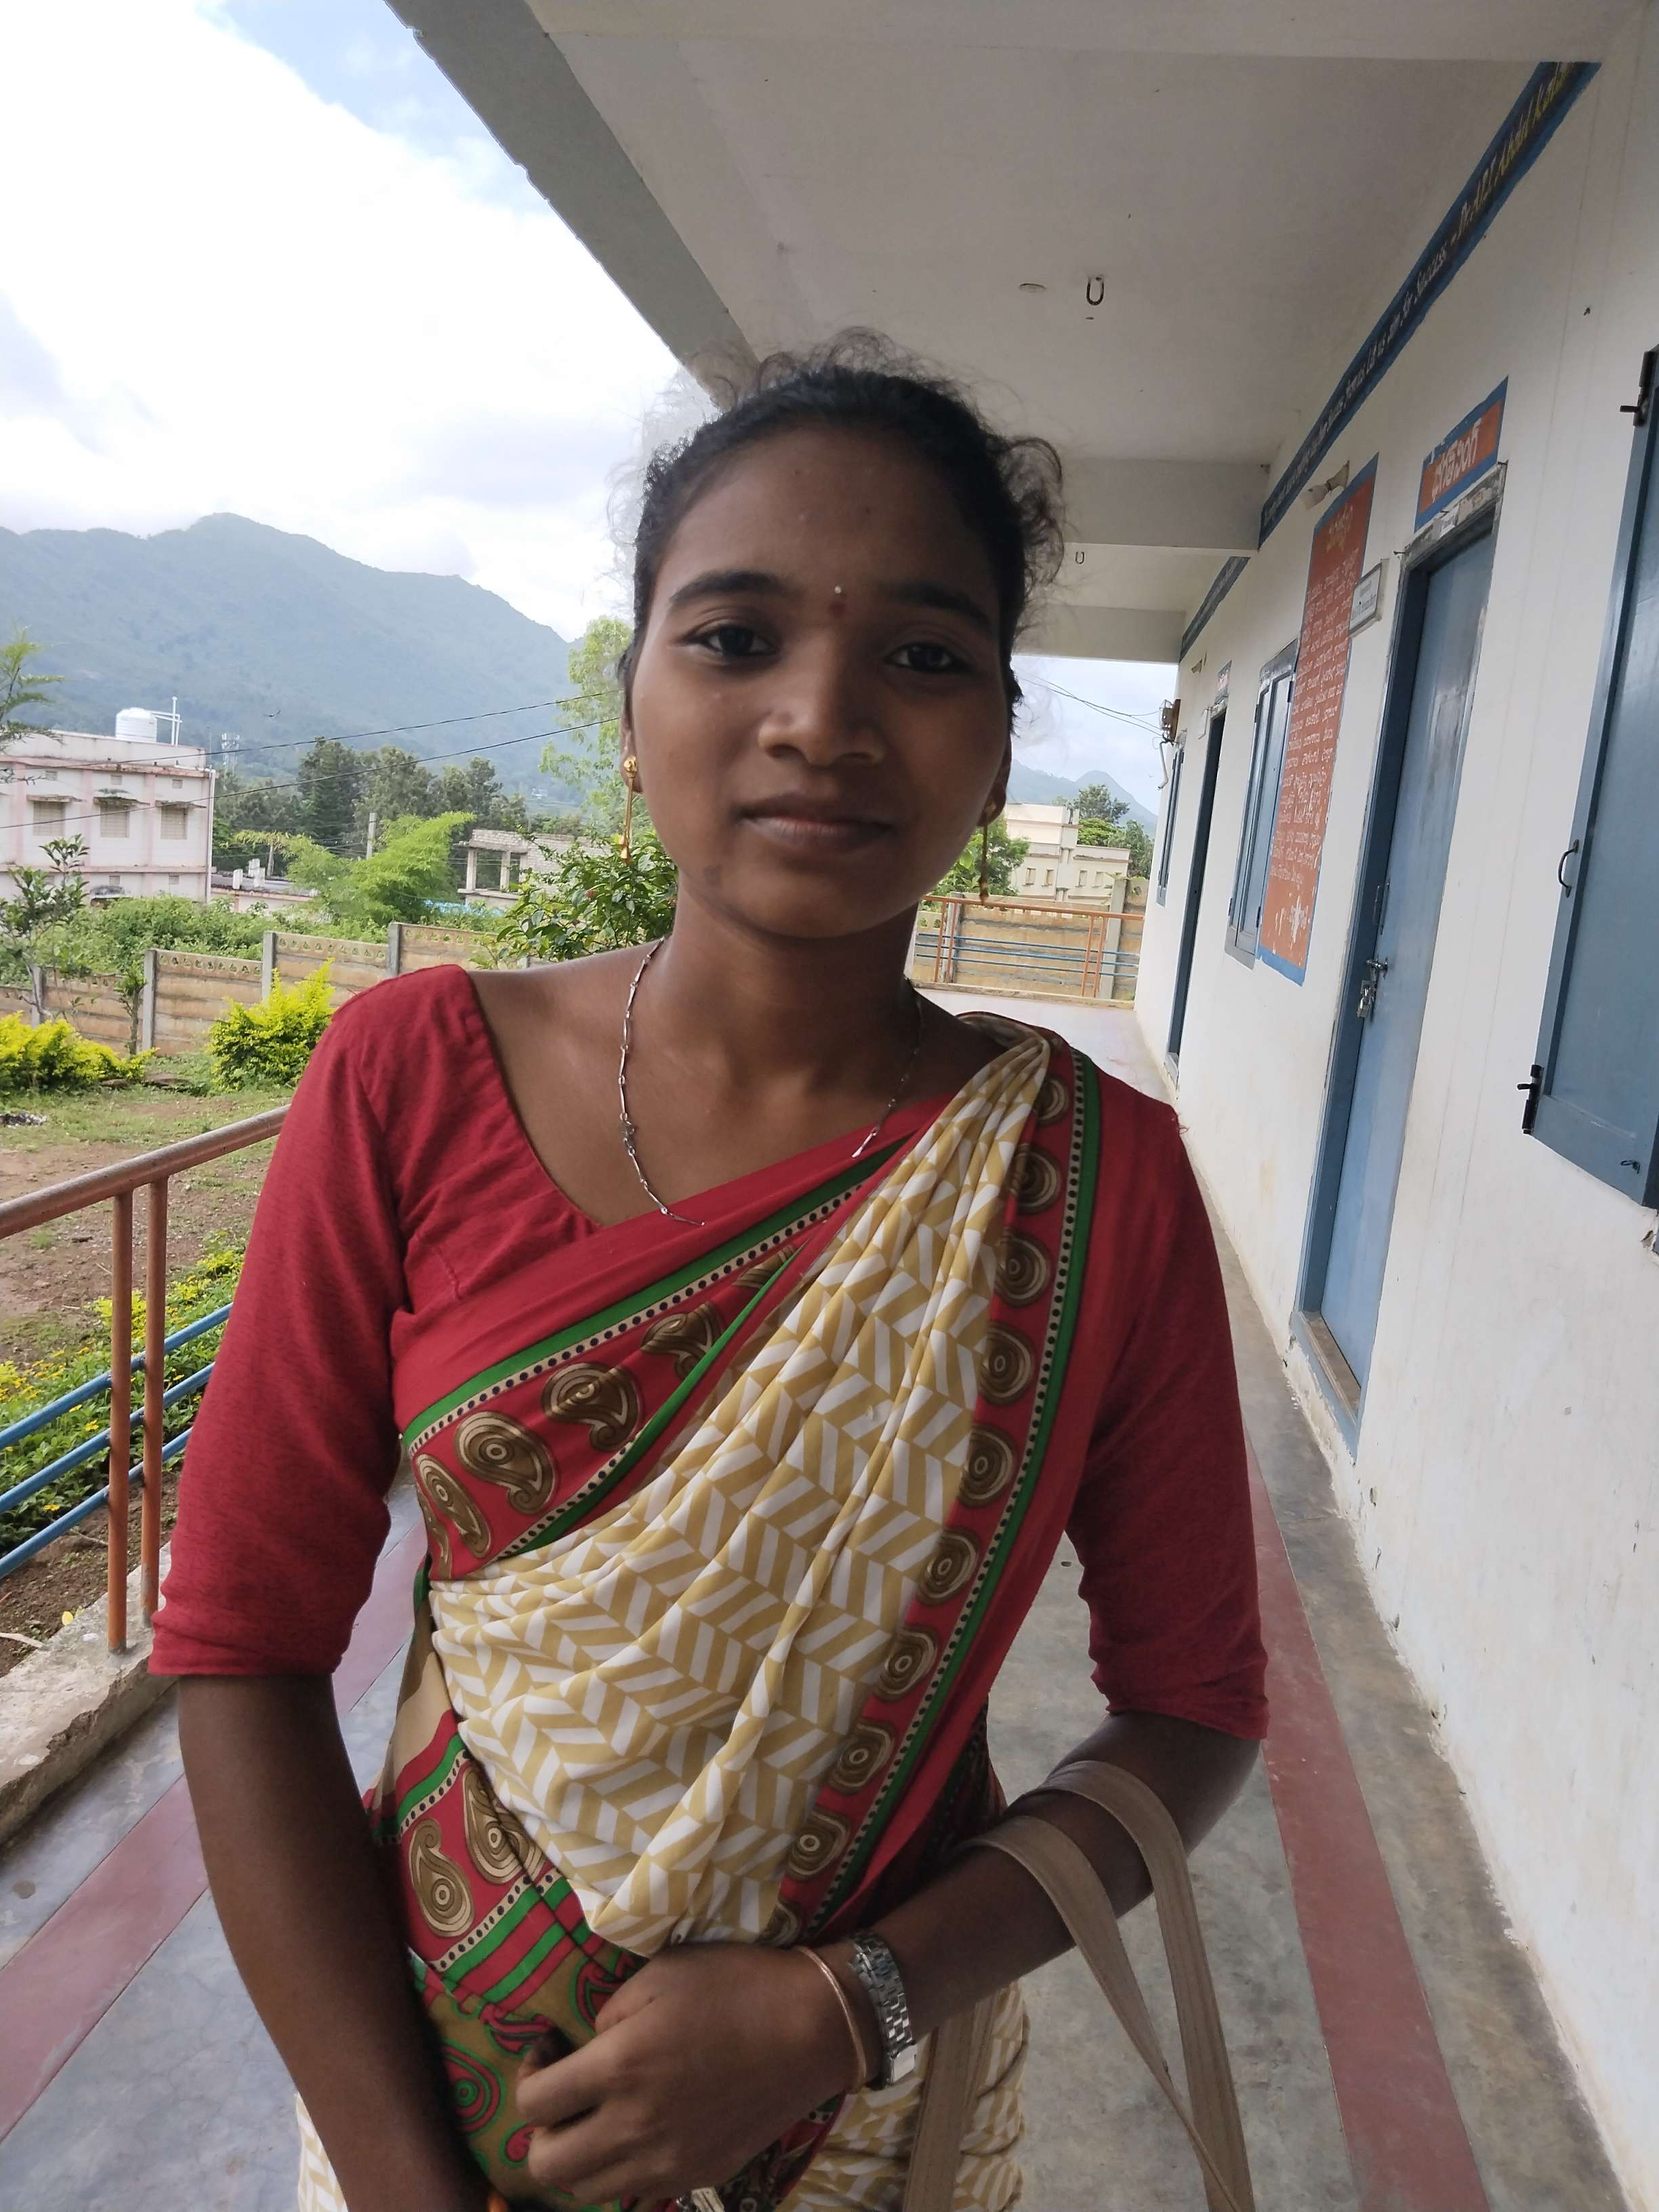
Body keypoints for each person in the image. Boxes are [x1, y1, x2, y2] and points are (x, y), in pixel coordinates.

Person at [153, 335, 1266, 2212]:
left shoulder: (1094, 1183)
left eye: (924, 656)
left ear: (1001, 740)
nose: (822, 718)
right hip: (428, 2090)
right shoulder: (411, 1076)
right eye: (736, 636)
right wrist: (411, 2188)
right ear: (631, 707)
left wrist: (846, 2009)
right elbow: (244, 1650)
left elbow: (1196, 1712)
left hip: (868, 2134)